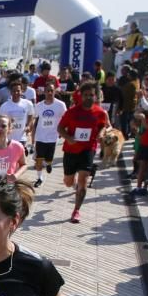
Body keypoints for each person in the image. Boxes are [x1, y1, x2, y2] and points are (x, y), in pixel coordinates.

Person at [57, 82, 109, 223]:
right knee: (68, 182)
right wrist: (68, 138)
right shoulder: (72, 112)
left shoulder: (100, 112)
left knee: (83, 180)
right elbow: (60, 128)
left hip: (88, 149)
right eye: (85, 95)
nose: (88, 98)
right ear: (80, 96)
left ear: (96, 95)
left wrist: (101, 134)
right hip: (71, 150)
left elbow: (102, 126)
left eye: (91, 95)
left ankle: (76, 210)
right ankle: (70, 180)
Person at [30, 83, 67, 186]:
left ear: (55, 91)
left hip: (53, 137)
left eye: (52, 90)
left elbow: (66, 118)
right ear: (44, 92)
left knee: (49, 159)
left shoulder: (60, 105)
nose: (50, 93)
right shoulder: (39, 105)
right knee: (38, 160)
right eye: (48, 90)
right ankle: (39, 178)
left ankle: (49, 164)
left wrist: (63, 131)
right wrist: (31, 132)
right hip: (40, 136)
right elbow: (35, 119)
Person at [0, 81, 34, 148]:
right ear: (10, 92)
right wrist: (8, 121)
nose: (16, 93)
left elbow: (31, 114)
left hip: (22, 138)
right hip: (8, 139)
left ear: (22, 91)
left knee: (20, 158)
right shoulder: (4, 106)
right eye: (13, 91)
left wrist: (28, 125)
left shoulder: (28, 104)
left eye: (18, 91)